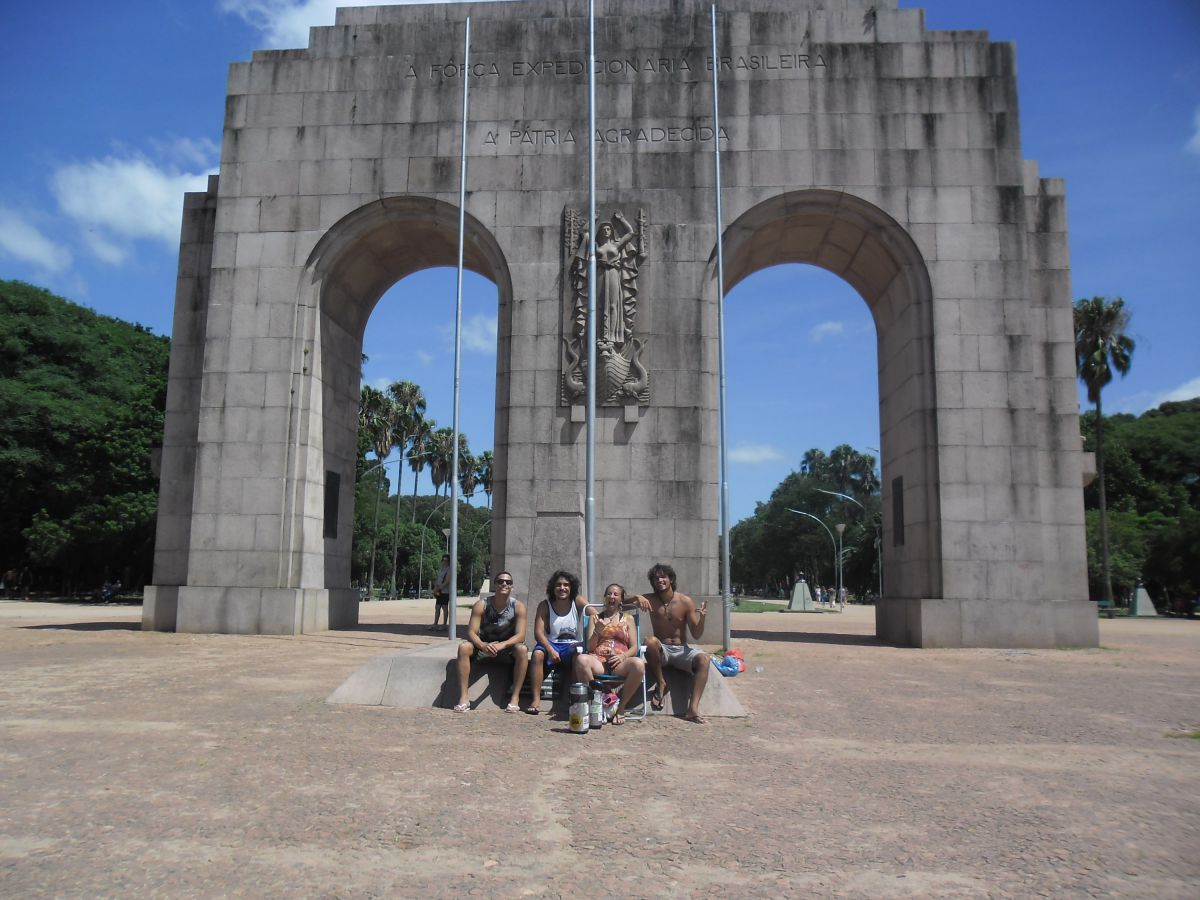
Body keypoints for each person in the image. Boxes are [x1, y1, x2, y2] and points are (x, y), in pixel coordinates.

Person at [635, 563, 710, 724]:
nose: (659, 580)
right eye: (656, 578)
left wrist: (702, 619)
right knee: (649, 641)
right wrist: (636, 597)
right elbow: (620, 601)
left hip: (682, 650)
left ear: (671, 579)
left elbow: (696, 634)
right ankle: (661, 682)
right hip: (661, 651)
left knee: (704, 659)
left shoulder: (685, 601)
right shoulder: (650, 599)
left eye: (663, 577)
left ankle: (693, 709)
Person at [453, 570, 529, 713]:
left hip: (506, 650)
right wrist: (483, 645)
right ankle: (464, 697)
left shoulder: (518, 607)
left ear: (512, 587)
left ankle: (515, 698)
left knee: (522, 650)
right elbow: (471, 632)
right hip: (483, 648)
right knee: (464, 647)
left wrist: (502, 645)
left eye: (508, 582)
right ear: (495, 585)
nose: (504, 584)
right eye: (500, 581)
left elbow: (520, 636)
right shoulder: (481, 605)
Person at [574, 583, 646, 724]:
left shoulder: (628, 619)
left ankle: (620, 709)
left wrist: (623, 656)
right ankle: (596, 705)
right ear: (605, 597)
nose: (612, 597)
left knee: (639, 664)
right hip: (599, 661)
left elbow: (634, 647)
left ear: (621, 599)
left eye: (615, 594)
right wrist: (597, 631)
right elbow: (589, 648)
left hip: (620, 662)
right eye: (609, 594)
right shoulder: (595, 618)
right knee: (581, 659)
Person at [525, 570, 587, 715]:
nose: (562, 588)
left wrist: (585, 642)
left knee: (579, 657)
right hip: (551, 643)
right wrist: (550, 649)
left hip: (571, 645)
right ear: (553, 588)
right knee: (537, 654)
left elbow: (596, 616)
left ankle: (574, 698)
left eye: (566, 585)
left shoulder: (577, 601)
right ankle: (535, 699)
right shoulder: (545, 605)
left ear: (571, 587)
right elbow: (538, 633)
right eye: (558, 585)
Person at [432, 554, 452, 630]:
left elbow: (447, 581)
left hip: (445, 592)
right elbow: (438, 579)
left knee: (444, 607)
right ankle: (435, 624)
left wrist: (439, 588)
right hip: (439, 591)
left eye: (446, 560)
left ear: (449, 561)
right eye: (443, 560)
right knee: (437, 607)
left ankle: (444, 625)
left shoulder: (449, 569)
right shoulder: (441, 569)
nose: (444, 561)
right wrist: (435, 588)